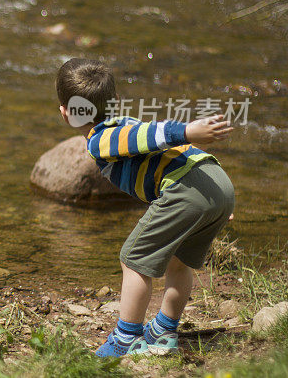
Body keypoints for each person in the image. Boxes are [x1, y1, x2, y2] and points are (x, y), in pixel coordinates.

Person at [55, 58, 235, 357]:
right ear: (114, 102)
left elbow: (153, 134)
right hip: (216, 182)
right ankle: (164, 331)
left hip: (188, 188)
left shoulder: (102, 140)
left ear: (65, 113)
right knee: (179, 261)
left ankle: (127, 338)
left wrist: (188, 132)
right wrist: (216, 202)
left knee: (133, 259)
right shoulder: (124, 120)